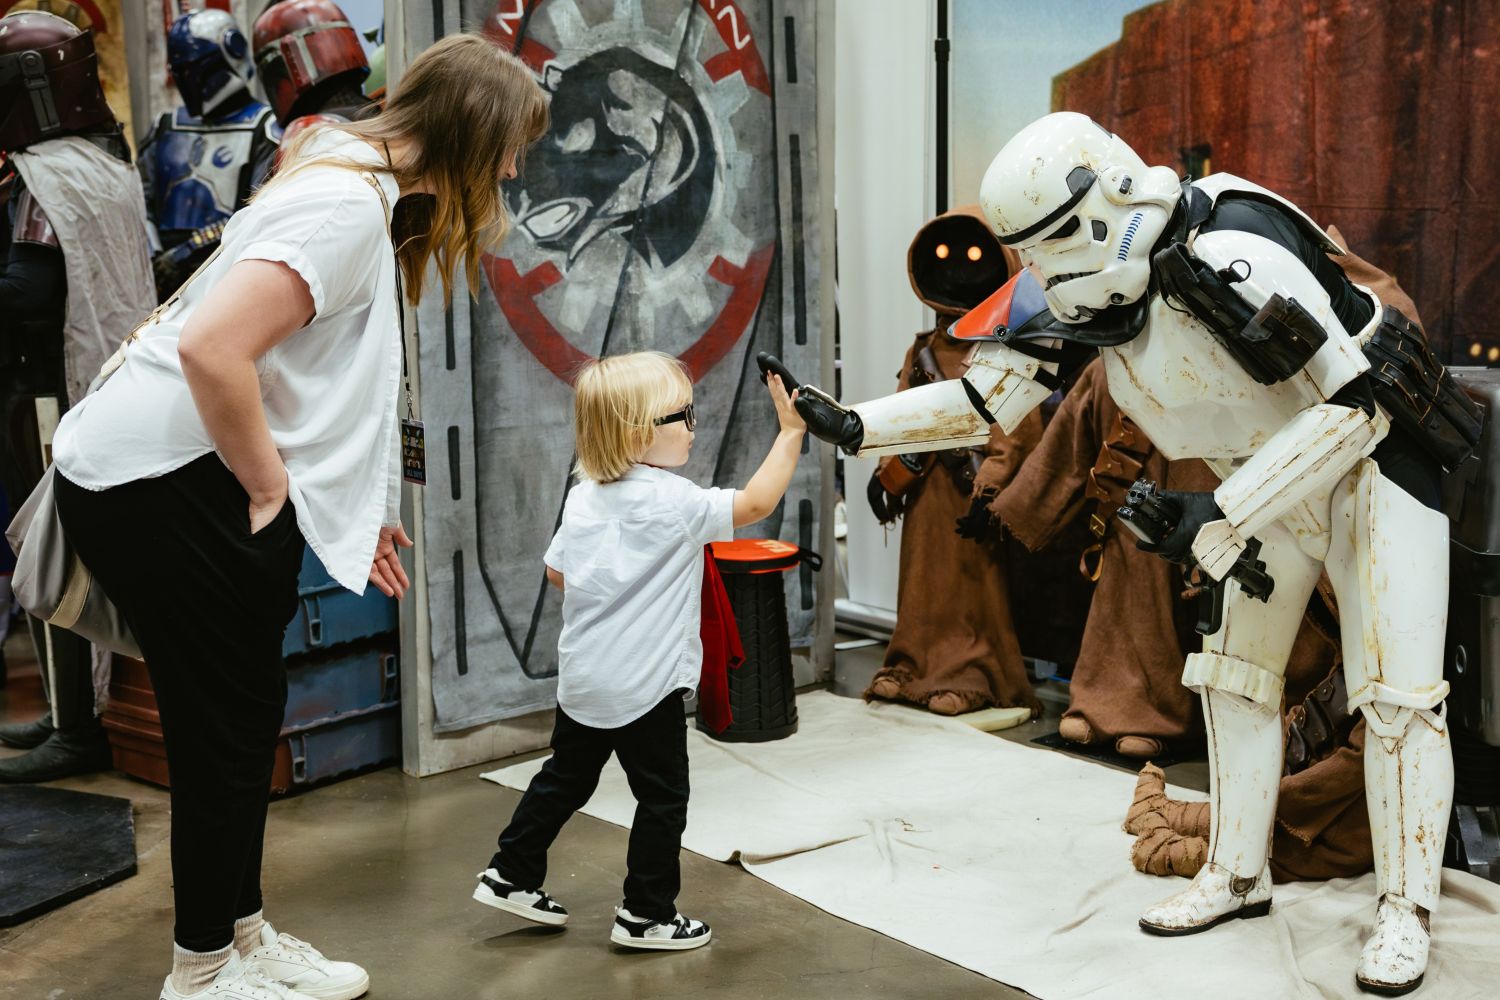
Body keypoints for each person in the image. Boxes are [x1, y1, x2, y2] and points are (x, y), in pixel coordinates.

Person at [788, 111, 1478, 995]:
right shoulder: (1062, 285)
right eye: (1033, 250)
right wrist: (857, 427)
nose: (1055, 270)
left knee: (1397, 701)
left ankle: (1405, 908)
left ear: (1114, 191)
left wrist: (1218, 512)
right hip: (1256, 482)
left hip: (1374, 468)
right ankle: (1235, 871)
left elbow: (1352, 408)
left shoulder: (1233, 246)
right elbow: (986, 395)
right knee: (1233, 680)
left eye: (1062, 237)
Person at [46, 33, 548, 1000]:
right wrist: (274, 492)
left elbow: (299, 372)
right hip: (160, 475)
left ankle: (239, 939)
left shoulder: (350, 173)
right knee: (223, 727)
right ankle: (201, 972)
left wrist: (337, 500)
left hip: (172, 467)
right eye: (512, 148)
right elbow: (214, 352)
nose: (516, 170)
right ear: (469, 133)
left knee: (241, 717)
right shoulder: (344, 209)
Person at [472, 352, 807, 952]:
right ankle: (646, 914)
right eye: (684, 414)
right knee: (661, 798)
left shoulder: (584, 496)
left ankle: (510, 871)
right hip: (644, 688)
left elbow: (558, 575)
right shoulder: (674, 502)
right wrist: (790, 433)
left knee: (564, 778)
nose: (694, 424)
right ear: (637, 433)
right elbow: (756, 505)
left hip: (584, 681)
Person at [0, 9, 155, 783]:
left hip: (57, 389)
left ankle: (77, 728)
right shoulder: (104, 160)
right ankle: (67, 712)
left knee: (53, 549)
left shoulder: (48, 173)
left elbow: (29, 288)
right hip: (100, 381)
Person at [863, 205, 1043, 717]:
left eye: (972, 256)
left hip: (972, 494)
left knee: (972, 591)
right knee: (921, 587)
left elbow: (1018, 429)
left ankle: (973, 674)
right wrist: (888, 477)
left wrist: (991, 486)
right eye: (945, 257)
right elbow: (900, 416)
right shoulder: (920, 352)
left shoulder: (1010, 352)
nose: (960, 267)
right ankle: (909, 663)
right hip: (925, 494)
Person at [139, 7, 281, 299]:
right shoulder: (165, 126)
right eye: (180, 72)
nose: (187, 80)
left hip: (228, 279)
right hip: (160, 283)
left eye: (194, 69)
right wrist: (155, 257)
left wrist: (185, 253)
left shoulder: (266, 129)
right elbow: (140, 201)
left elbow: (256, 213)